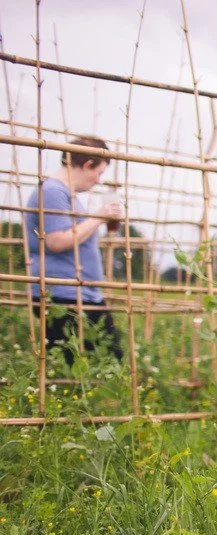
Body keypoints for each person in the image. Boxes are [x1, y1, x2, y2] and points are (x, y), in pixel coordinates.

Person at [25, 136, 124, 364]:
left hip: (79, 293)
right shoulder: (52, 191)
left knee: (91, 359)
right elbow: (56, 241)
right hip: (63, 294)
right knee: (100, 359)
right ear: (88, 164)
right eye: (98, 173)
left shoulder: (65, 195)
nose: (97, 180)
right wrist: (98, 217)